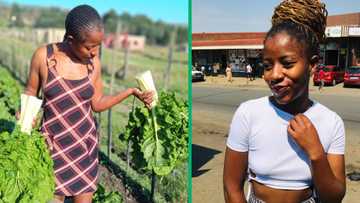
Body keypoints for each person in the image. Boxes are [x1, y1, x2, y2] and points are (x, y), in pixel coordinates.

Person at [22, 5, 153, 203]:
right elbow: (31, 91)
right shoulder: (44, 57)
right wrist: (24, 116)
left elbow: (97, 104)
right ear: (71, 39)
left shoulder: (93, 65)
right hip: (51, 149)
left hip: (84, 149)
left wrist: (130, 92)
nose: (94, 52)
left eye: (98, 46)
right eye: (89, 47)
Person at [223, 1, 346, 203]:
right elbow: (231, 187)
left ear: (312, 65)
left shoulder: (331, 122)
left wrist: (315, 152)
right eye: (267, 66)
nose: (274, 75)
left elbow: (334, 197)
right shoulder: (249, 113)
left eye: (287, 64)